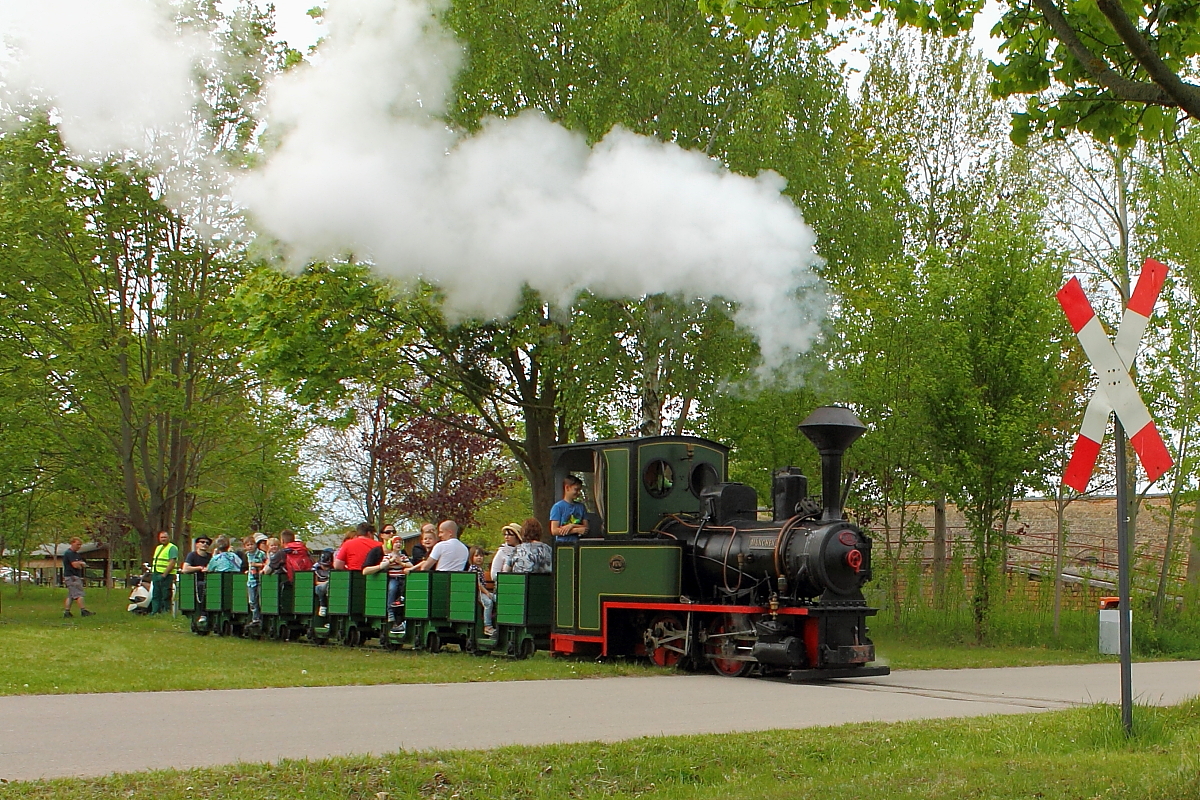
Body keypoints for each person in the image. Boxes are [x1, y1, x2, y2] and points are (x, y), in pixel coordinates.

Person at [366, 538, 411, 632]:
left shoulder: (403, 556)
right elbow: (383, 565)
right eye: (396, 543)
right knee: (392, 589)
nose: (398, 544)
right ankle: (390, 611)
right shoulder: (387, 556)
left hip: (402, 578)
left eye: (400, 543)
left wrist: (401, 563)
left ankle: (401, 603)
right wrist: (390, 561)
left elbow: (410, 565)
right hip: (393, 578)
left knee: (405, 590)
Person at [550, 475, 589, 542]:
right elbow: (554, 530)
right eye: (576, 489)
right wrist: (576, 530)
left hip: (578, 544)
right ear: (567, 488)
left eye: (580, 490)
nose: (579, 492)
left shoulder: (581, 507)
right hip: (562, 545)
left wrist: (571, 525)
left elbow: (586, 528)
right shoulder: (557, 507)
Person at [468, 545, 496, 637]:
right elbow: (478, 584)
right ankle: (487, 626)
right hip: (477, 593)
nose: (479, 558)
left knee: (497, 599)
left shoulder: (480, 569)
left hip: (483, 592)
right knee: (488, 603)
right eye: (476, 556)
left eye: (481, 556)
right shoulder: (473, 569)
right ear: (471, 558)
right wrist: (487, 593)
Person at [61, 537, 93, 618]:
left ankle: (67, 612)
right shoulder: (69, 553)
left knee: (71, 596)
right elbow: (75, 565)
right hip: (72, 576)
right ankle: (83, 611)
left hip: (74, 575)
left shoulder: (76, 554)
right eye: (77, 544)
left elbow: (82, 566)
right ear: (72, 543)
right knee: (79, 594)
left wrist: (80, 563)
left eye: (80, 545)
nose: (79, 546)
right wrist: (80, 563)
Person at [149, 531, 178, 615]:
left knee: (166, 594)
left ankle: (166, 612)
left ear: (169, 538)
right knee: (156, 594)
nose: (163, 539)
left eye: (165, 537)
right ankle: (155, 611)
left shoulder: (172, 548)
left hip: (166, 575)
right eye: (161, 537)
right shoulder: (158, 547)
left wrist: (164, 574)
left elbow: (172, 562)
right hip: (156, 573)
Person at [181, 535, 213, 612]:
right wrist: (199, 568)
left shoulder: (211, 556)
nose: (205, 544)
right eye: (202, 542)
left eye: (207, 543)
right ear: (197, 544)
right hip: (195, 582)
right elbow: (185, 569)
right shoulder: (192, 555)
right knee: (202, 586)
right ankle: (202, 613)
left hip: (209, 581)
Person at [244, 533, 267, 626]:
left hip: (260, 579)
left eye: (252, 544)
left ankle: (258, 618)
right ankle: (255, 618)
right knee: (252, 600)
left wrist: (257, 565)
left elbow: (266, 564)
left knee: (260, 599)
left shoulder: (261, 554)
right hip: (251, 580)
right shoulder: (247, 555)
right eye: (248, 545)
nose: (250, 547)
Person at [312, 549, 334, 619]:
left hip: (331, 587)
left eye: (327, 566)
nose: (325, 568)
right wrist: (325, 583)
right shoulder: (316, 568)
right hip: (319, 587)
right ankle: (323, 605)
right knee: (319, 588)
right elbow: (315, 582)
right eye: (324, 565)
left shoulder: (334, 568)